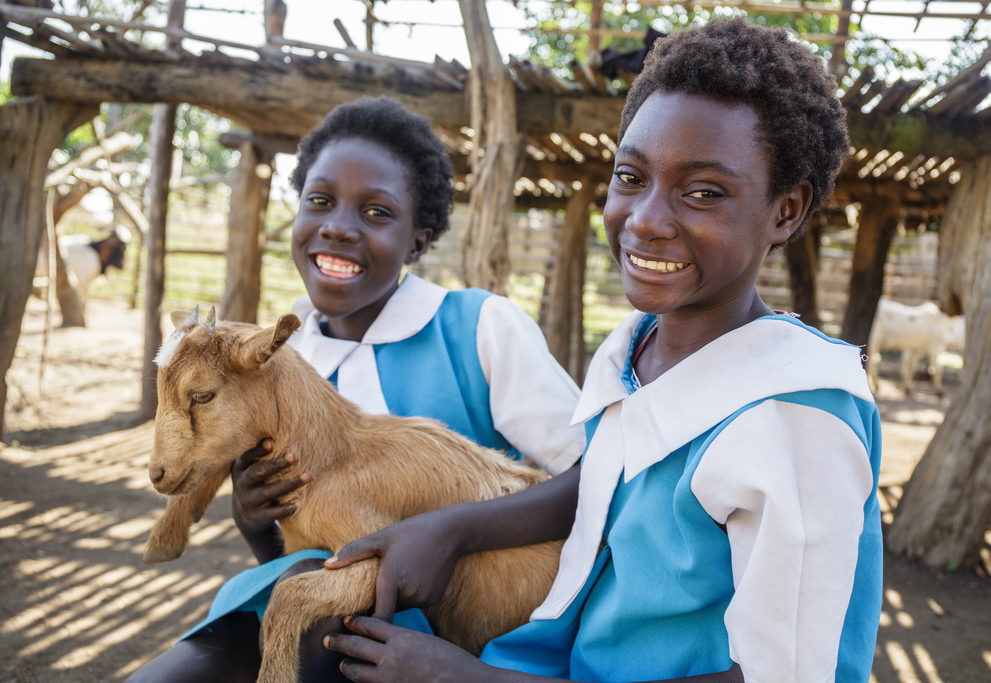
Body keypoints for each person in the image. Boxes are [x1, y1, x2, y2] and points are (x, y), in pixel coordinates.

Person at [320, 18, 883, 683]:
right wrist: (453, 528)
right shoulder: (637, 351)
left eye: (702, 192)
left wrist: (468, 678)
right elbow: (606, 480)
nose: (644, 217)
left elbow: (779, 677)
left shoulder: (795, 418)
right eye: (630, 175)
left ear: (785, 211)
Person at [125, 95, 586, 683]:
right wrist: (252, 517)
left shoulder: (479, 327)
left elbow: (594, 478)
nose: (338, 227)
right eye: (319, 201)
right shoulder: (271, 361)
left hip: (461, 647)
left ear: (418, 241)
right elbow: (308, 561)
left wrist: (452, 528)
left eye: (375, 213)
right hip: (324, 612)